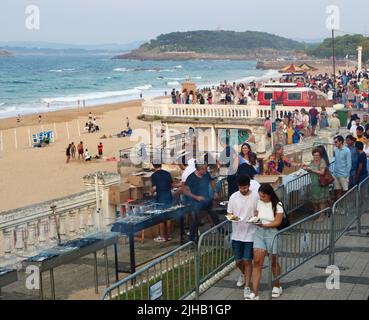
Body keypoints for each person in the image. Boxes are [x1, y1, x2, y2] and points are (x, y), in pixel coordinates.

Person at [247, 184, 284, 300]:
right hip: (259, 233)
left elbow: (278, 222)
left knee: (273, 261)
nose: (261, 198)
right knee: (257, 262)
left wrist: (264, 225)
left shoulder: (278, 205)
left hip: (272, 233)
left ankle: (277, 285)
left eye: (263, 196)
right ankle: (255, 292)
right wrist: (254, 220)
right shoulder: (259, 202)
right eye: (260, 196)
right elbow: (257, 215)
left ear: (269, 195)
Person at [227, 175, 259, 299]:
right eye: (241, 188)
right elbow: (229, 214)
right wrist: (236, 218)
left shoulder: (255, 196)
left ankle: (247, 286)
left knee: (247, 260)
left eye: (245, 188)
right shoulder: (233, 197)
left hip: (250, 233)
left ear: (249, 186)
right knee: (238, 261)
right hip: (237, 233)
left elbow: (258, 213)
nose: (243, 190)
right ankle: (245, 274)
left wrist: (254, 218)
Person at [183, 161, 220, 242]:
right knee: (195, 220)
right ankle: (192, 240)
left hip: (206, 200)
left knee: (214, 215)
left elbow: (212, 181)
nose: (206, 170)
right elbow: (185, 191)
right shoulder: (191, 178)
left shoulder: (206, 174)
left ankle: (222, 231)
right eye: (205, 169)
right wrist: (196, 197)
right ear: (199, 169)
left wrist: (215, 192)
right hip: (195, 202)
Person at [302, 148, 330, 221]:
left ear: (320, 155)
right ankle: (317, 213)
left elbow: (322, 172)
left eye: (317, 155)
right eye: (314, 155)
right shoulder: (312, 162)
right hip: (314, 184)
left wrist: (312, 170)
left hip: (321, 183)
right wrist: (306, 168)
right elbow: (310, 169)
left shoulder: (322, 162)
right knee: (314, 200)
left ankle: (322, 216)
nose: (315, 157)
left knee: (321, 201)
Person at [151, 164, 174, 242]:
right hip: (169, 197)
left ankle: (162, 236)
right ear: (161, 164)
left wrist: (151, 192)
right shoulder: (167, 173)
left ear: (153, 165)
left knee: (161, 218)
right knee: (169, 216)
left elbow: (154, 188)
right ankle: (169, 236)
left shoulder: (154, 175)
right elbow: (171, 185)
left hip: (160, 198)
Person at [333, 135, 351, 200]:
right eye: (334, 142)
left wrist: (346, 175)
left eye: (336, 142)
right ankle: (338, 207)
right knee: (337, 191)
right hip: (336, 174)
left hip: (343, 175)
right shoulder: (335, 149)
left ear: (340, 142)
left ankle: (346, 207)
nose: (335, 143)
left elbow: (349, 164)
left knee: (345, 192)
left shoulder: (347, 150)